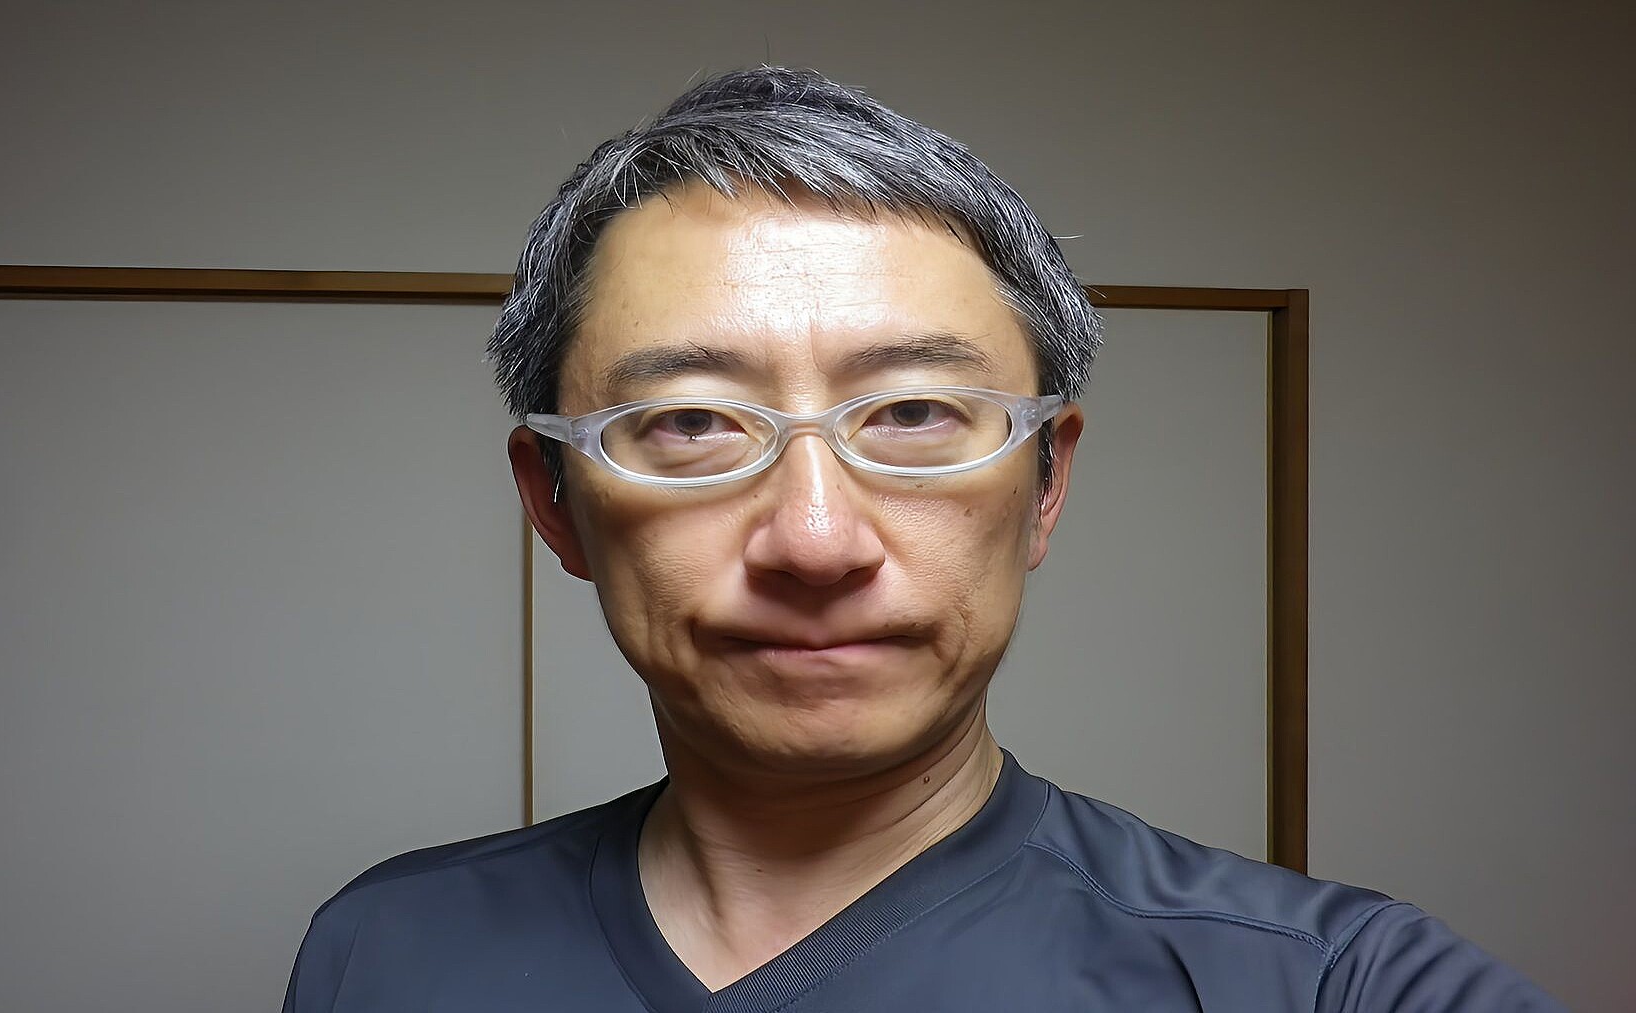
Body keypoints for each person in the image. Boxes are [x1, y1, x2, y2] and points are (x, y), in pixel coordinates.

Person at [284, 66, 1560, 1011]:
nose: (815, 538)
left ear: (1046, 482)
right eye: (691, 422)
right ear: (554, 501)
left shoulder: (1328, 981)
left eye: (911, 414)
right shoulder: (386, 949)